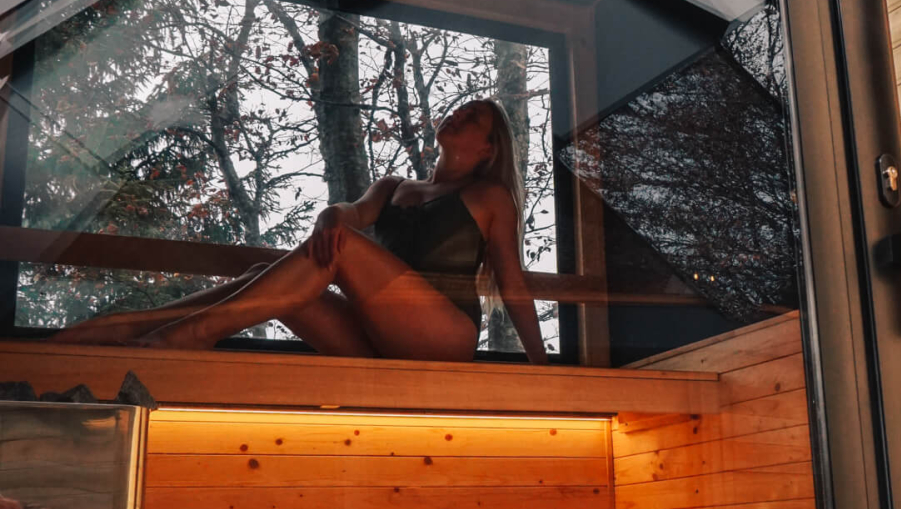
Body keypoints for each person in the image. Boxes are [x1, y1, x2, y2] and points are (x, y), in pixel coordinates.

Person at [54, 99, 548, 364]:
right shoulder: (394, 187)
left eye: (472, 118)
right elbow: (352, 212)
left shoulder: (489, 197)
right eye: (459, 108)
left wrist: (542, 365)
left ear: (487, 149)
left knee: (340, 250)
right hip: (379, 337)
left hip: (443, 338)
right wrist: (333, 213)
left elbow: (513, 283)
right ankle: (136, 327)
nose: (457, 114)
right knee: (264, 273)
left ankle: (181, 338)